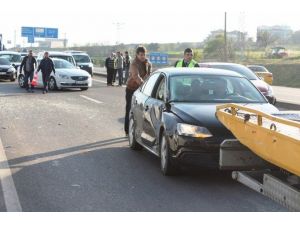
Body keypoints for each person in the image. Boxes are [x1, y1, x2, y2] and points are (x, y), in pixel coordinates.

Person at [124, 46, 152, 135]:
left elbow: (149, 76)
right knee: (130, 109)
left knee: (141, 112)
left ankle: (140, 132)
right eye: (140, 55)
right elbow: (136, 76)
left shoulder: (148, 63)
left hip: (142, 91)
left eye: (144, 55)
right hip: (131, 89)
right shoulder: (134, 64)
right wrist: (144, 86)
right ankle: (127, 131)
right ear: (137, 55)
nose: (142, 56)